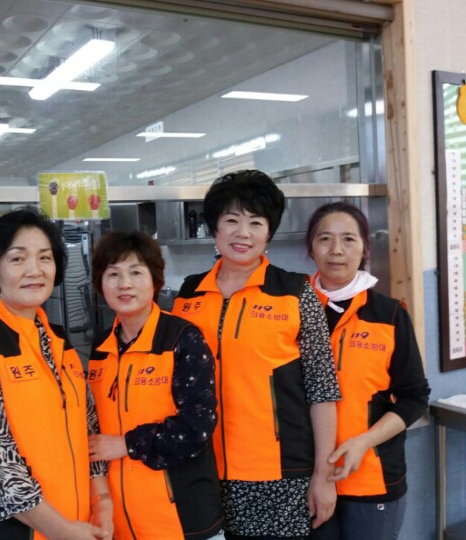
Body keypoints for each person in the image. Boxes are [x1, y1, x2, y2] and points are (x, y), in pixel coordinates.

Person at [172, 170, 342, 539]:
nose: (243, 233)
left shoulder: (294, 293)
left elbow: (323, 392)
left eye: (256, 222)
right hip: (200, 469)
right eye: (231, 220)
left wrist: (323, 475)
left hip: (278, 475)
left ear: (269, 232)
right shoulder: (188, 295)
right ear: (215, 227)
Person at [0, 208, 113, 540]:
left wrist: (101, 501)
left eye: (45, 257)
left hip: (77, 524)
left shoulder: (57, 341)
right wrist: (61, 530)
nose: (35, 270)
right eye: (17, 259)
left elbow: (88, 427)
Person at [305, 202, 430, 540]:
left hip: (372, 477)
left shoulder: (389, 314)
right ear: (311, 248)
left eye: (349, 239)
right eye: (325, 239)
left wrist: (363, 442)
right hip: (305, 478)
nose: (336, 250)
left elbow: (415, 397)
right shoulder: (292, 310)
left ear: (364, 248)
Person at [88, 231, 225, 539]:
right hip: (118, 520)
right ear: (101, 283)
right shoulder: (100, 347)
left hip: (183, 519)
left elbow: (198, 426)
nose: (125, 284)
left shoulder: (183, 338)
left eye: (136, 272)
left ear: (154, 280)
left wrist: (127, 443)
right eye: (113, 274)